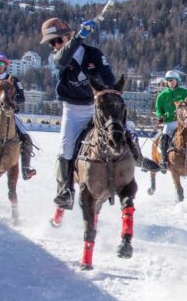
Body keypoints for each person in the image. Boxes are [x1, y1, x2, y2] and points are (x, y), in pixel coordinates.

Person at [40, 17, 158, 210]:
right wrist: (79, 37)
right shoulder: (57, 57)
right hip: (73, 109)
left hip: (95, 105)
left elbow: (109, 78)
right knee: (66, 147)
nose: (55, 45)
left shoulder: (93, 54)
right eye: (51, 43)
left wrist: (105, 91)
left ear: (67, 36)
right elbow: (62, 59)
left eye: (58, 40)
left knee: (126, 128)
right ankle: (65, 190)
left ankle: (139, 159)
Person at [154, 70, 187, 172]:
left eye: (172, 80)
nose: (171, 82)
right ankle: (164, 162)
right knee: (164, 139)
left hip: (184, 122)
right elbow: (158, 108)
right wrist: (160, 116)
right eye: (168, 80)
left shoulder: (184, 91)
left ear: (177, 80)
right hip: (169, 122)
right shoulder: (162, 95)